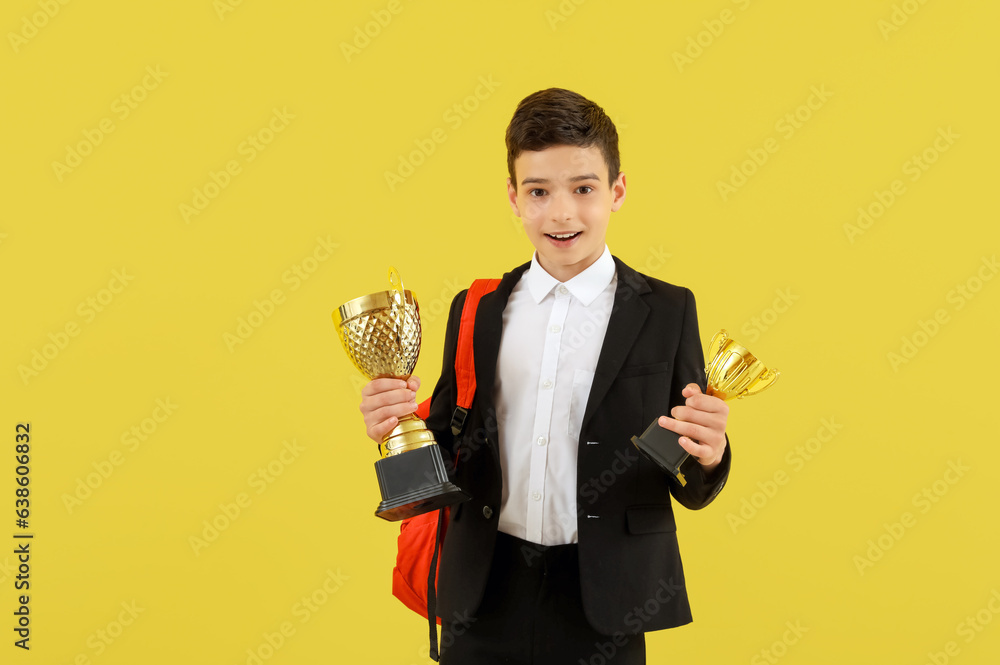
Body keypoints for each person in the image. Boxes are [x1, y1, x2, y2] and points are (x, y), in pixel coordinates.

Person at [360, 87, 732, 665]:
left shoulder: (667, 309)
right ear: (513, 197)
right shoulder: (477, 307)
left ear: (617, 191)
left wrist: (709, 454)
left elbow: (688, 465)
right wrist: (393, 429)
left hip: (606, 592)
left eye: (583, 189)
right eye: (538, 191)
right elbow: (448, 441)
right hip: (484, 582)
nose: (561, 213)